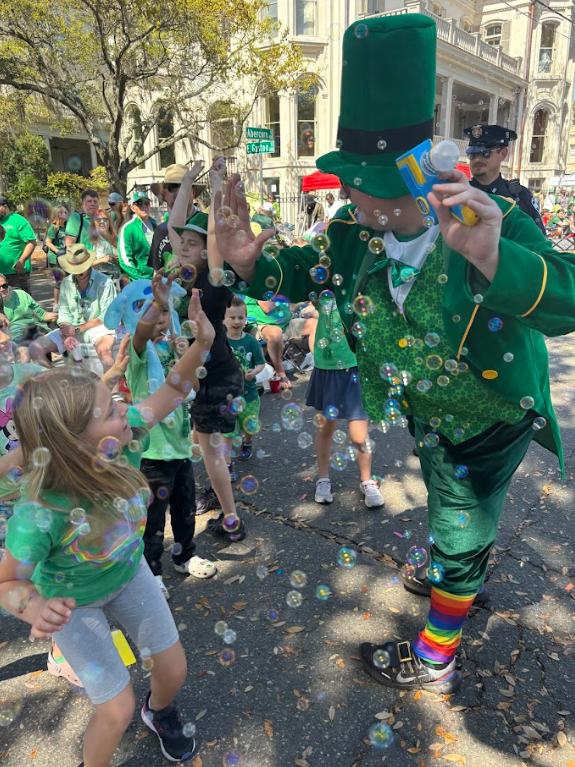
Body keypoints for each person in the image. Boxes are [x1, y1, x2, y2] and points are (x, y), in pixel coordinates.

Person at [213, 14, 575, 694]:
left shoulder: (485, 218)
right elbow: (298, 268)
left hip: (491, 415)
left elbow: (568, 296)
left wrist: (496, 257)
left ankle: (437, 655)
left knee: (461, 523)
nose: (343, 190)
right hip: (428, 414)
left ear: (395, 179)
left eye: (354, 177)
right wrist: (247, 264)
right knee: (453, 517)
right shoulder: (354, 232)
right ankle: (450, 567)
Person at [0, 289, 215, 766]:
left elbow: (171, 391)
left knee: (173, 669)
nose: (128, 410)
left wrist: (202, 344)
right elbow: (8, 580)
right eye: (113, 409)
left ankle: (159, 712)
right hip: (71, 603)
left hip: (127, 574)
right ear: (76, 444)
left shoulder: (120, 442)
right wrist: (34, 607)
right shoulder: (40, 511)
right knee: (113, 710)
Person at [120, 274, 217, 599]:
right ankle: (151, 570)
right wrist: (160, 301)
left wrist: (183, 353)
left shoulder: (174, 350)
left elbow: (194, 387)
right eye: (153, 312)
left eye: (165, 313)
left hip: (179, 449)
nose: (160, 320)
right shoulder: (137, 354)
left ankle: (184, 555)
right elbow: (142, 332)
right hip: (151, 454)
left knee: (185, 509)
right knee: (153, 519)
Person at [168, 161, 246, 538]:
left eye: (192, 244)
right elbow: (173, 225)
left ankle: (231, 520)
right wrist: (187, 182)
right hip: (217, 375)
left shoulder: (213, 279)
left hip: (214, 378)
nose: (183, 246)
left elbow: (214, 235)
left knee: (211, 452)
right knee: (215, 449)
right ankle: (222, 498)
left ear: (205, 252)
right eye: (183, 243)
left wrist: (216, 186)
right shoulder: (187, 273)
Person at [306, 295, 385, 509]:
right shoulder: (323, 288)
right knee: (325, 427)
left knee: (359, 434)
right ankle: (323, 478)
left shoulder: (357, 284)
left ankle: (367, 481)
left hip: (356, 364)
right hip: (327, 365)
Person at [30, 244, 117, 371]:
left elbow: (106, 316)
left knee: (105, 352)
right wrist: (66, 334)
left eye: (81, 267)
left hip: (98, 327)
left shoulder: (105, 282)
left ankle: (111, 389)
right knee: (34, 348)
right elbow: (64, 313)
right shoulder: (66, 283)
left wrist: (76, 329)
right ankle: (55, 378)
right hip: (73, 327)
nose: (79, 272)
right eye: (74, 269)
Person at [464, 124, 545, 233]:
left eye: (485, 153)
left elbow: (537, 243)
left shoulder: (521, 197)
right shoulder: (460, 194)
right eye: (472, 154)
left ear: (503, 154)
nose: (477, 159)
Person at [223, 297, 266, 460]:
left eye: (241, 317)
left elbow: (261, 363)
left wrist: (254, 372)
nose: (236, 321)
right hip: (228, 396)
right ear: (224, 319)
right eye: (232, 317)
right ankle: (227, 463)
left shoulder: (251, 341)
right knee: (228, 431)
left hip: (249, 394)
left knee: (249, 425)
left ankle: (247, 442)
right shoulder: (222, 342)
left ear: (246, 319)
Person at [244, 296, 316, 389]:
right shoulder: (260, 285)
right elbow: (267, 308)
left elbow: (291, 306)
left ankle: (319, 364)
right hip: (261, 325)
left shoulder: (280, 285)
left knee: (314, 324)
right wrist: (281, 291)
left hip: (286, 323)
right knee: (276, 333)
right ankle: (280, 371)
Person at [148, 164, 205, 271]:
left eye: (185, 186)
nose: (179, 192)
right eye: (172, 187)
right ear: (164, 194)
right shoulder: (160, 230)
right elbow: (157, 271)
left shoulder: (206, 224)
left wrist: (188, 261)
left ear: (193, 192)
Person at [0, 276, 57, 353]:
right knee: (26, 350)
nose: (2, 289)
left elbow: (42, 314)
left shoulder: (21, 294)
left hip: (34, 329)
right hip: (14, 337)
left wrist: (61, 317)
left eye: (4, 286)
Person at [0, 195, 37, 294]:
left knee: (22, 302)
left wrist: (22, 260)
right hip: (0, 273)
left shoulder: (18, 220)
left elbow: (32, 242)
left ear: (5, 206)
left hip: (16, 272)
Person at [118, 192, 157, 281]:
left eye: (146, 203)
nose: (144, 206)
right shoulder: (128, 229)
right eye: (140, 203)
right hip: (141, 281)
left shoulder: (155, 225)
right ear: (133, 208)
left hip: (159, 278)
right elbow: (124, 260)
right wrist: (139, 279)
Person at [45, 202, 70, 310]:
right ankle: (56, 304)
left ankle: (68, 302)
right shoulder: (54, 227)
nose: (64, 214)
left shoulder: (68, 226)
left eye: (65, 212)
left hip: (67, 257)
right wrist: (58, 251)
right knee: (60, 281)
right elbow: (48, 242)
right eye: (61, 212)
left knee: (69, 280)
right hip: (55, 257)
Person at [91, 207, 121, 286]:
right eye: (98, 220)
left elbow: (125, 258)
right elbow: (85, 265)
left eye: (105, 219)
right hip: (99, 281)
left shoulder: (116, 238)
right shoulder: (90, 241)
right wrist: (102, 260)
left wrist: (118, 258)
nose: (102, 222)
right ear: (94, 223)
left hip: (118, 280)